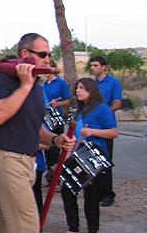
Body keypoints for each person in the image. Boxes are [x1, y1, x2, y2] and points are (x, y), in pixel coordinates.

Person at [0, 33, 75, 233]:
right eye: (42, 54)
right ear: (25, 54)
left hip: (28, 161)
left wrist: (55, 139)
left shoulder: (36, 86)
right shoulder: (1, 81)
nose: (47, 59)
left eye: (49, 54)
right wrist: (25, 86)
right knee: (27, 225)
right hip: (8, 159)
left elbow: (34, 126)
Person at [60, 78, 117, 233]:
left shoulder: (102, 109)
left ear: (91, 91)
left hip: (94, 157)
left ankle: (92, 229)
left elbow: (113, 132)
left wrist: (93, 131)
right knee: (67, 190)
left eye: (81, 88)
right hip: (77, 156)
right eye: (77, 88)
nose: (77, 91)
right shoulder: (78, 112)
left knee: (91, 197)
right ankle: (73, 227)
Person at [90, 55, 122, 207]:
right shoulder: (92, 84)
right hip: (92, 126)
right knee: (93, 160)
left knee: (105, 160)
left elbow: (118, 102)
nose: (93, 68)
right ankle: (96, 192)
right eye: (91, 65)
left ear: (104, 67)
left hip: (106, 127)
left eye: (95, 65)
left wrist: (105, 113)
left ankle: (108, 194)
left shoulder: (113, 82)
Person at [41, 68, 71, 177]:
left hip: (56, 119)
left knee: (55, 150)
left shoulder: (61, 83)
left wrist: (58, 104)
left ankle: (56, 178)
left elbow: (67, 101)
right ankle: (50, 177)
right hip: (45, 119)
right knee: (47, 150)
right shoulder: (42, 85)